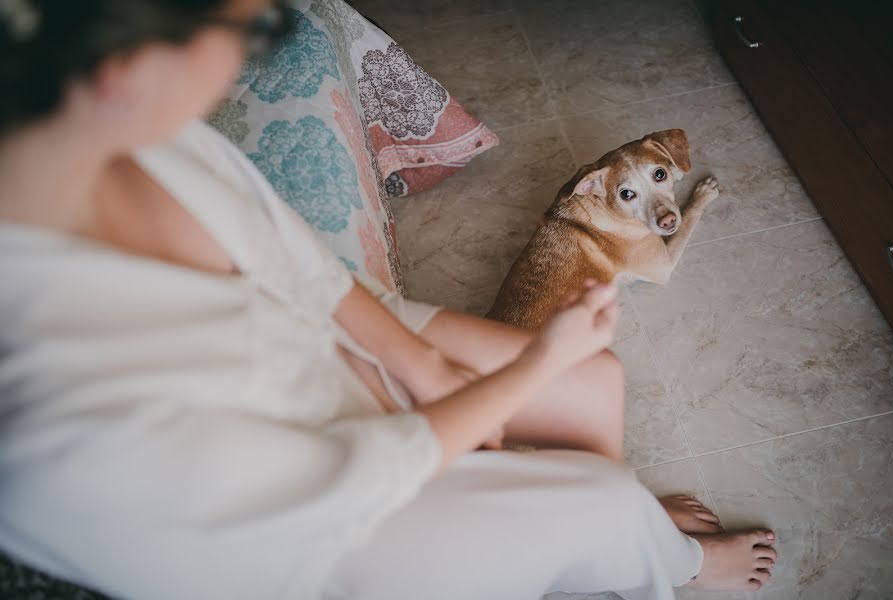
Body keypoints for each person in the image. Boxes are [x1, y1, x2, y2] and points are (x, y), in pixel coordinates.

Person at [0, 1, 778, 598]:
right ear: (123, 70)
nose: (247, 52)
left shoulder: (122, 130)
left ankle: (594, 534)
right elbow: (352, 478)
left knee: (595, 382)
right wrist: (527, 367)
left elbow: (293, 258)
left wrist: (423, 369)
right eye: (249, 32)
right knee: (602, 493)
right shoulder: (53, 426)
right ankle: (659, 556)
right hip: (324, 534)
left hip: (312, 344)